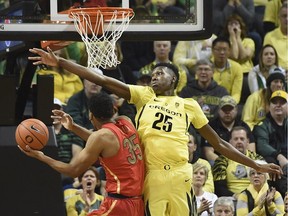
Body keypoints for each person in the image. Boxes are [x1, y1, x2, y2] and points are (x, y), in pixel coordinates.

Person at [28, 47, 282, 216]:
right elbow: (103, 81)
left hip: (183, 175)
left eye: (160, 73)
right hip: (154, 177)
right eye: (152, 73)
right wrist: (60, 61)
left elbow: (220, 145)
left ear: (174, 80)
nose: (153, 76)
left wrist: (257, 165)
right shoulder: (143, 95)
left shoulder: (188, 105)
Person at [19, 92, 145, 216]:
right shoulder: (126, 121)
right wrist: (73, 126)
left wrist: (41, 156)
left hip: (119, 205)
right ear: (113, 109)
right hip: (137, 203)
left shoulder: (101, 137)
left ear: (91, 116)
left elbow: (73, 170)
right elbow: (102, 141)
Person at [253, 90, 288, 198]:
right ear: (269, 106)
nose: (278, 105)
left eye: (282, 102)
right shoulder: (262, 125)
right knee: (271, 163)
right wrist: (279, 156)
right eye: (274, 102)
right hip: (275, 162)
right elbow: (262, 145)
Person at [202, 96, 256, 164]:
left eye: (230, 109)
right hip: (219, 162)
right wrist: (226, 164)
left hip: (243, 162)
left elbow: (252, 151)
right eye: (224, 109)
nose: (227, 112)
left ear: (236, 110)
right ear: (218, 110)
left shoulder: (244, 126)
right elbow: (208, 153)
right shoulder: (211, 127)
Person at [212, 126, 263, 198]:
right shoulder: (222, 160)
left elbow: (265, 183)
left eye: (242, 139)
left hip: (254, 197)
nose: (239, 141)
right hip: (231, 198)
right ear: (230, 142)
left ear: (248, 141)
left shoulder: (257, 159)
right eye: (236, 139)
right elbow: (219, 187)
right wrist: (235, 196)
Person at [220, 14, 255, 105]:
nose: (233, 26)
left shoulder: (249, 41)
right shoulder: (224, 43)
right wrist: (232, 37)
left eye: (236, 24)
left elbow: (243, 56)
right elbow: (235, 56)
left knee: (246, 82)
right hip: (229, 71)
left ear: (241, 27)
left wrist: (238, 38)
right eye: (231, 24)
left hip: (246, 72)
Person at [211, 37, 243, 104]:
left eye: (225, 49)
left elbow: (236, 94)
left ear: (229, 51)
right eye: (218, 49)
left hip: (228, 104)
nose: (222, 52)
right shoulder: (205, 66)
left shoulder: (237, 68)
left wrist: (228, 104)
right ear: (212, 50)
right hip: (209, 103)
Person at [263, 3, 288, 71]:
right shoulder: (270, 36)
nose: (287, 19)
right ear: (279, 17)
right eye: (284, 16)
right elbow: (266, 61)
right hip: (277, 74)